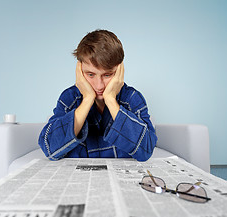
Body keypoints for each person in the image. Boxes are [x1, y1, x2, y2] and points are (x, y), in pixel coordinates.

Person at [38, 29, 157, 161]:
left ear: (119, 71)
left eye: (107, 75)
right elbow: (49, 148)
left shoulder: (132, 98)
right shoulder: (70, 98)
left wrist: (111, 100)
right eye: (90, 75)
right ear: (79, 70)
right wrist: (87, 100)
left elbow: (146, 150)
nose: (99, 85)